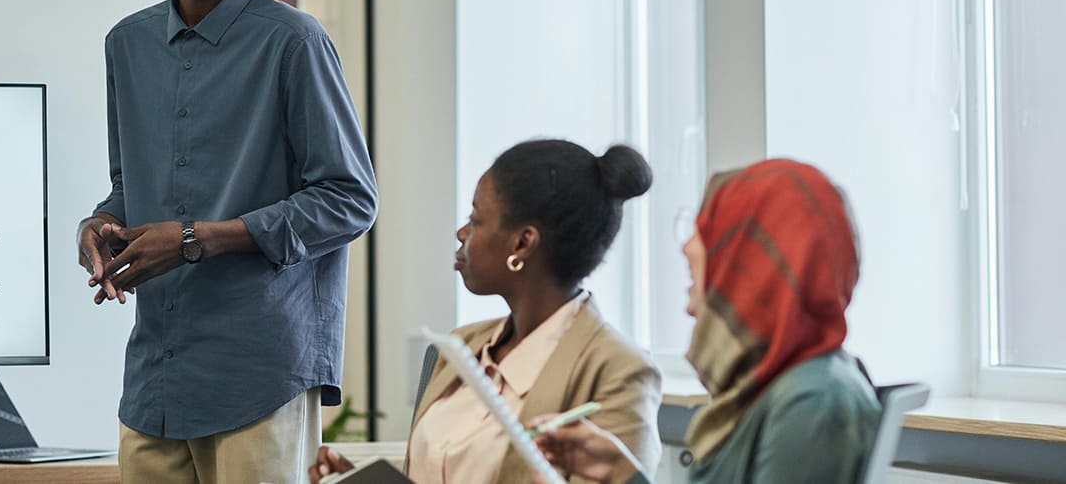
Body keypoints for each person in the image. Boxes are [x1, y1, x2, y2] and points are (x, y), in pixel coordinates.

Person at [77, 0, 379, 484]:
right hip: (155, 379)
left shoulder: (294, 41)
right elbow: (131, 184)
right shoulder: (127, 43)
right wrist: (101, 224)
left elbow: (350, 199)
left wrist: (195, 239)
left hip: (259, 376)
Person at [312, 139, 662, 484]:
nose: (462, 232)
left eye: (476, 219)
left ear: (522, 243)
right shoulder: (460, 346)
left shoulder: (618, 372)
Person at [535, 158, 881, 483]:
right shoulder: (780, 385)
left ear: (753, 261)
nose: (687, 247)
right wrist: (622, 471)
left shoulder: (811, 404)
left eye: (709, 229)